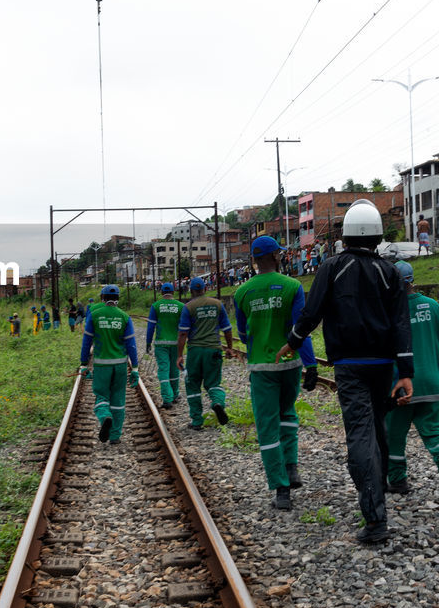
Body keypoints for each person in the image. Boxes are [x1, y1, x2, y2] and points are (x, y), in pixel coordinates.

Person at [277, 199, 413, 545]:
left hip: (350, 367)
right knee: (377, 430)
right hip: (383, 366)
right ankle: (378, 491)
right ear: (378, 237)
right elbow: (400, 324)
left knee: (360, 435)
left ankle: (375, 519)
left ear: (346, 235)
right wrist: (406, 371)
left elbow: (312, 312)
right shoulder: (391, 272)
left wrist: (293, 341)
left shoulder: (331, 267)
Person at [234, 236, 317, 510]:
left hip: (261, 367)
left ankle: (281, 489)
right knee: (288, 415)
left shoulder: (241, 292)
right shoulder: (293, 286)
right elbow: (299, 329)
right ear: (276, 257)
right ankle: (291, 466)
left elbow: (243, 334)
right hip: (290, 364)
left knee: (267, 426)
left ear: (256, 260)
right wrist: (311, 364)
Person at [385, 260, 439, 497]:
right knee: (435, 431)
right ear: (412, 281)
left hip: (399, 385)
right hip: (431, 381)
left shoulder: (388, 310)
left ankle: (398, 481)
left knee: (394, 435)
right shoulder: (433, 306)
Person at [79, 285, 139, 444]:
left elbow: (87, 342)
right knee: (118, 399)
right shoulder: (124, 317)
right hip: (120, 365)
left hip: (101, 365)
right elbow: (131, 345)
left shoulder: (95, 314)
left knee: (101, 395)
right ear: (118, 299)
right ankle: (115, 436)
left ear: (102, 298)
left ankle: (105, 415)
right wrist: (135, 368)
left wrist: (84, 363)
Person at [177, 277, 234, 430]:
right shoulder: (217, 304)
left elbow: (183, 334)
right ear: (205, 289)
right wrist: (229, 348)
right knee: (213, 383)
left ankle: (196, 421)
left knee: (193, 384)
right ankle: (217, 403)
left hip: (195, 351)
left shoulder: (188, 307)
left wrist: (179, 355)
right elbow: (227, 329)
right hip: (214, 349)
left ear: (191, 290)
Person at [145, 282, 184, 409]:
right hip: (176, 343)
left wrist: (148, 342)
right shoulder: (180, 306)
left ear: (161, 292)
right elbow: (185, 327)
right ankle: (175, 394)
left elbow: (151, 326)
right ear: (173, 292)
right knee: (174, 369)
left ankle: (167, 399)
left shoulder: (156, 306)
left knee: (163, 369)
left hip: (161, 343)